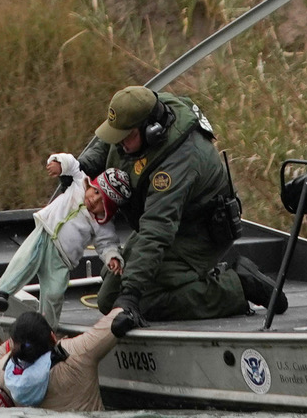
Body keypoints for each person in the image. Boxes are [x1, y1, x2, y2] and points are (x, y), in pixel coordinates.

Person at [78, 85, 286, 336]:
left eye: (126, 137)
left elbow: (157, 230)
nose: (120, 144)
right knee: (108, 298)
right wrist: (82, 166)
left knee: (142, 300)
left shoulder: (177, 163)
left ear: (151, 129)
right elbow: (110, 137)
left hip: (198, 233)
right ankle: (196, 277)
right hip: (167, 220)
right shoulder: (147, 111)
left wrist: (131, 297)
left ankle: (237, 286)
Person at [0, 155, 130, 327]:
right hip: (44, 236)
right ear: (92, 184)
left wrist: (112, 257)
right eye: (96, 192)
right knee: (23, 261)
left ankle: (47, 327)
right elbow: (73, 164)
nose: (94, 199)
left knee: (54, 293)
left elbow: (107, 243)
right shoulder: (79, 184)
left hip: (61, 259)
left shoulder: (102, 225)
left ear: (108, 210)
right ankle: (1, 294)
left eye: (101, 202)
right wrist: (59, 164)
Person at [0, 309, 123, 411]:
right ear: (53, 337)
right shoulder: (75, 354)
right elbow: (118, 320)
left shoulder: (5, 374)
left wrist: (18, 340)